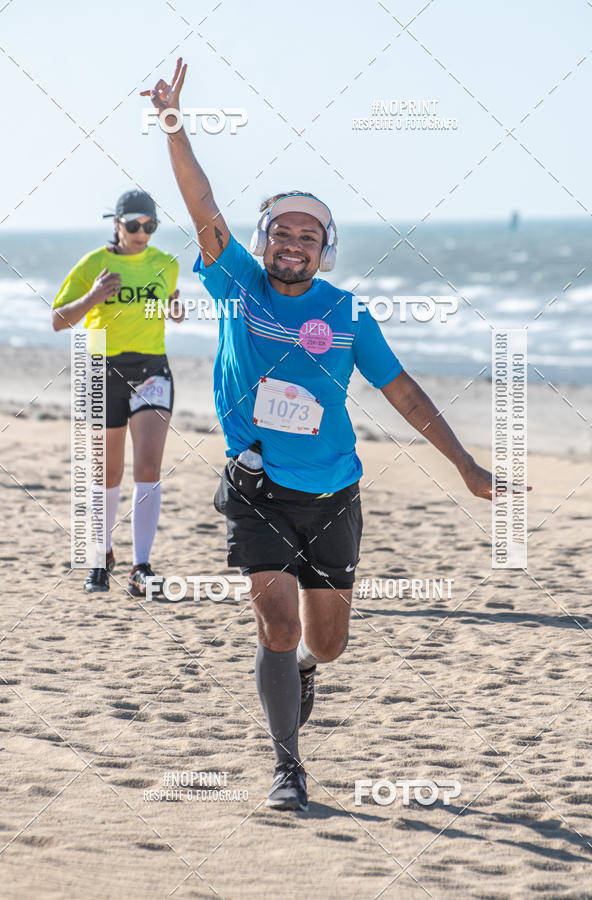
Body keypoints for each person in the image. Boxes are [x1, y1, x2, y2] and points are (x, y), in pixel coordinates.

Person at [143, 59, 527, 812]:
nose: (292, 243)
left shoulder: (347, 314)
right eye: (281, 231)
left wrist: (466, 466)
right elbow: (200, 201)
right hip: (257, 490)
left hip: (334, 494)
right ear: (262, 240)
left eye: (308, 235)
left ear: (326, 249)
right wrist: (173, 123)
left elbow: (404, 391)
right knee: (275, 625)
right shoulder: (238, 284)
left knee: (326, 642)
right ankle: (289, 766)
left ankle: (306, 674)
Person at [52, 189, 182, 596]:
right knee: (107, 473)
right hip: (101, 371)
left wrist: (173, 312)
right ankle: (100, 555)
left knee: (148, 469)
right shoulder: (95, 264)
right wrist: (93, 297)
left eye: (150, 226)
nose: (141, 233)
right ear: (117, 223)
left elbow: (161, 310)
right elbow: (58, 319)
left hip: (151, 371)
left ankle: (141, 566)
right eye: (133, 225)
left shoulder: (167, 265)